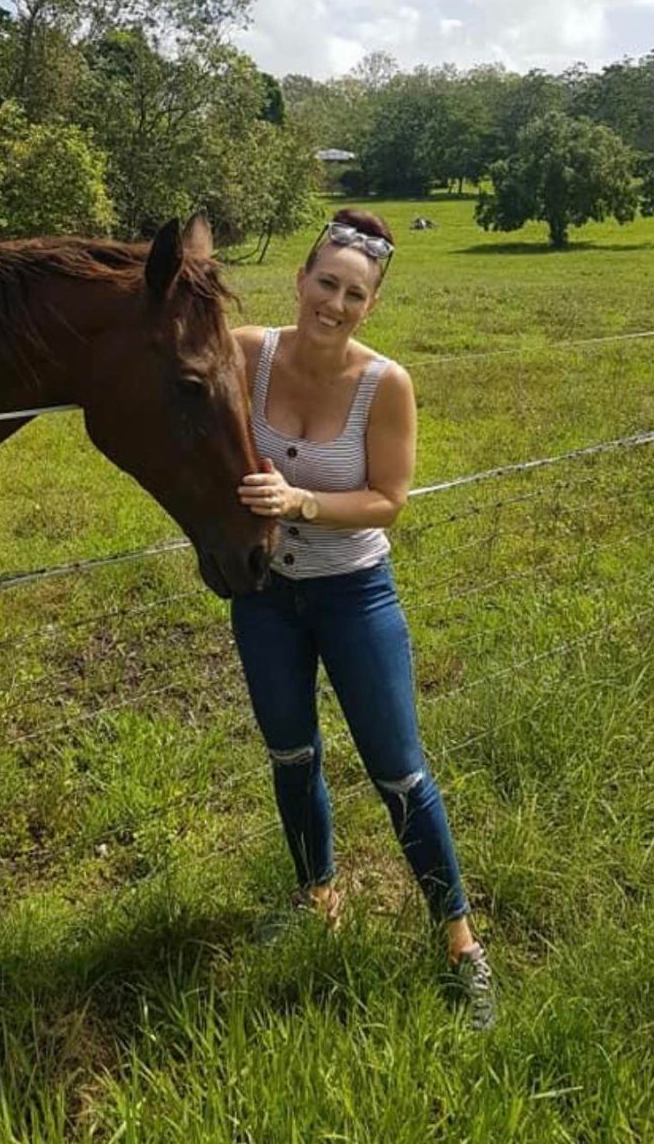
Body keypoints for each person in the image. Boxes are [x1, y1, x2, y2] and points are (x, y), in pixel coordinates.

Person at [232, 207, 495, 1029]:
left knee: (398, 769)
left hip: (355, 593)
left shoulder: (386, 384)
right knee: (290, 754)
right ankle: (319, 895)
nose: (336, 304)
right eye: (326, 283)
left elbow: (388, 500)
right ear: (300, 278)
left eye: (354, 294)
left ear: (371, 305)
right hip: (264, 597)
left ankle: (459, 942)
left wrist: (300, 500)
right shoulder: (248, 354)